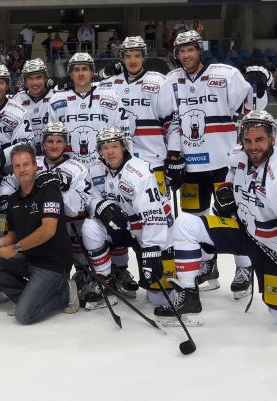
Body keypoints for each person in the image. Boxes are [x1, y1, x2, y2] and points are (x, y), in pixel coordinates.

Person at [170, 110, 277, 326]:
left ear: (272, 138)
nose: (253, 146)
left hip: (273, 247)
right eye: (248, 140)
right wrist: (227, 190)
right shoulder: (239, 153)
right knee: (185, 224)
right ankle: (188, 295)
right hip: (242, 230)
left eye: (259, 140)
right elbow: (233, 172)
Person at [166, 30, 261, 295]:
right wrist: (174, 155)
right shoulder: (171, 81)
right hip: (191, 168)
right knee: (195, 218)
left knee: (230, 214)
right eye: (181, 51)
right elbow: (171, 121)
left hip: (224, 164)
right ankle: (209, 267)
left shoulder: (226, 74)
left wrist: (260, 91)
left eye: (190, 50)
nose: (186, 55)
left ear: (199, 50)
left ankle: (244, 267)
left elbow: (249, 110)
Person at [97, 36, 178, 298]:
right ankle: (123, 271)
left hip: (152, 162)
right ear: (122, 57)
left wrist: (174, 154)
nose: (132, 60)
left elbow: (170, 120)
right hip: (119, 163)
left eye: (137, 55)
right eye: (127, 55)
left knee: (159, 220)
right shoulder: (112, 84)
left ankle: (163, 276)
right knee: (123, 220)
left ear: (144, 56)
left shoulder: (157, 82)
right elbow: (91, 86)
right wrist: (102, 73)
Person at [79, 127, 180, 316]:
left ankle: (183, 285)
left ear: (124, 147)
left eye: (114, 146)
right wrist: (101, 206)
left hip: (149, 229)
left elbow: (153, 215)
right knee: (90, 227)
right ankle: (105, 280)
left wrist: (151, 251)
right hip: (122, 226)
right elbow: (90, 195)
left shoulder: (138, 172)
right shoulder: (95, 169)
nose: (110, 152)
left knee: (159, 297)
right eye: (105, 147)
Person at [0, 143, 79, 324]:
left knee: (24, 316)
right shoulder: (14, 198)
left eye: (26, 164)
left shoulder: (49, 191)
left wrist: (14, 248)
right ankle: (27, 297)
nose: (22, 169)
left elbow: (48, 230)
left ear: (35, 166)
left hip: (52, 266)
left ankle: (65, 293)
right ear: (13, 170)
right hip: (29, 260)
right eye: (17, 166)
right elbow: (14, 233)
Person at [0, 123, 91, 302]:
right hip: (33, 224)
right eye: (50, 141)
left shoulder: (78, 168)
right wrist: (5, 200)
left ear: (66, 143)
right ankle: (31, 290)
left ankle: (65, 285)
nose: (54, 145)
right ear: (43, 143)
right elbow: (9, 182)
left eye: (59, 141)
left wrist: (62, 188)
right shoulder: (32, 162)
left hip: (64, 229)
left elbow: (81, 205)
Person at [47, 52, 126, 166]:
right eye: (76, 70)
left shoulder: (111, 96)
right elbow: (53, 138)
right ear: (70, 74)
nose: (80, 73)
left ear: (92, 72)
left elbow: (123, 132)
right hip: (69, 167)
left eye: (84, 69)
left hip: (104, 166)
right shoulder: (57, 100)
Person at [3, 58, 54, 155]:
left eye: (38, 77)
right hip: (25, 156)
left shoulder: (55, 96)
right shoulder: (17, 99)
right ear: (25, 81)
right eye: (30, 78)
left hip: (51, 154)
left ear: (45, 78)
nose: (34, 83)